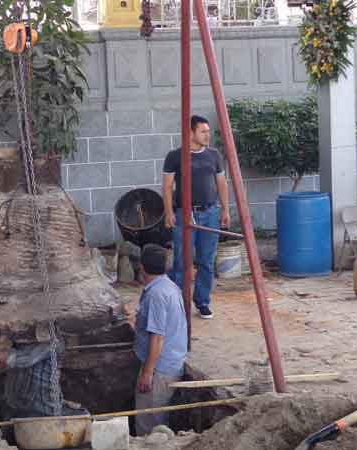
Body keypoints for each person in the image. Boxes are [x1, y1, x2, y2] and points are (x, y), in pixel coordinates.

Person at [161, 115, 230, 319]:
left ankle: (202, 302)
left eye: (208, 131)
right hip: (185, 214)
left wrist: (225, 209)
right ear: (190, 133)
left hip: (210, 212)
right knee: (182, 261)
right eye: (203, 131)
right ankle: (178, 303)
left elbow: (222, 183)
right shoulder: (175, 156)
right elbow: (166, 186)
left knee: (207, 261)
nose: (208, 135)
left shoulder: (214, 155)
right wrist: (169, 212)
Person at [134, 244, 188, 435]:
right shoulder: (168, 286)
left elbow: (157, 338)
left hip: (160, 370)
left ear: (141, 267)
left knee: (148, 426)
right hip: (169, 362)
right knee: (156, 420)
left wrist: (148, 374)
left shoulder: (156, 295)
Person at [0, 325, 81, 419]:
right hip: (16, 408)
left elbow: (23, 360)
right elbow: (13, 361)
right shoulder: (23, 341)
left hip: (42, 411)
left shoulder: (52, 341)